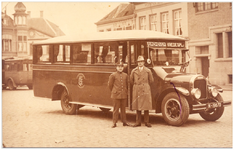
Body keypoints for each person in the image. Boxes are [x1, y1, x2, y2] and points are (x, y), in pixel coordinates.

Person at [130, 55, 154, 127]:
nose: (140, 63)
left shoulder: (148, 71)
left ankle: (147, 122)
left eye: (141, 62)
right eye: (139, 62)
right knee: (138, 105)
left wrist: (145, 85)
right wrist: (137, 85)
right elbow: (131, 81)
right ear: (137, 63)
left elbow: (151, 80)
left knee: (146, 106)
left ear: (144, 62)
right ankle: (138, 122)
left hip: (145, 88)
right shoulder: (134, 71)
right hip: (137, 88)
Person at [108, 61, 130, 128]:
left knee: (123, 109)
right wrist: (114, 91)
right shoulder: (113, 75)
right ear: (116, 67)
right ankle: (114, 122)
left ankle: (124, 122)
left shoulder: (125, 75)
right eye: (119, 67)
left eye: (121, 67)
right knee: (116, 109)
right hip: (116, 95)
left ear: (123, 68)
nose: (120, 68)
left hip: (123, 94)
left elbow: (127, 84)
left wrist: (126, 92)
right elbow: (110, 85)